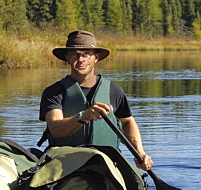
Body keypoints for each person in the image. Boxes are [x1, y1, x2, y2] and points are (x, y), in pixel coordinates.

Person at [39, 30, 154, 171]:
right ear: (67, 58)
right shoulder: (54, 92)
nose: (80, 59)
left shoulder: (114, 90)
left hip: (107, 164)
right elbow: (55, 129)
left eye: (86, 53)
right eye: (74, 54)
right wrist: (83, 116)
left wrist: (139, 152)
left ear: (96, 58)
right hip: (64, 163)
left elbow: (127, 121)